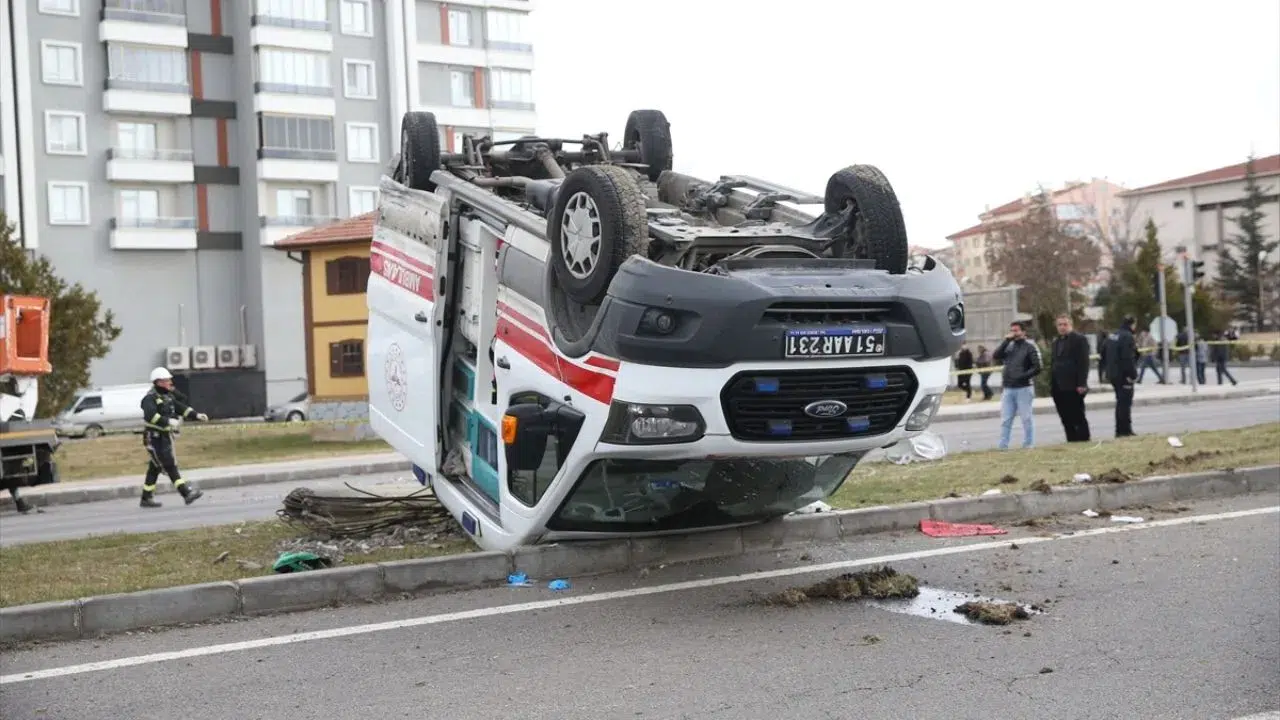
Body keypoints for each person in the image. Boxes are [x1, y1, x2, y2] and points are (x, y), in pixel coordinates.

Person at [139, 367, 209, 508]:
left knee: (155, 467)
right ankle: (186, 493)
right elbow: (150, 416)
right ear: (158, 382)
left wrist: (196, 415)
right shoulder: (149, 399)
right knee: (169, 465)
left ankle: (146, 497)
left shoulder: (167, 397)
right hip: (153, 438)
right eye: (167, 380)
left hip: (164, 437)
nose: (170, 382)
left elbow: (180, 407)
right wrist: (168, 421)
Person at [993, 321, 1042, 449]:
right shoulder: (1009, 346)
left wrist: (1023, 376)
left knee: (1026, 418)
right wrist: (1005, 341)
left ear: (1023, 332)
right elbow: (996, 356)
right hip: (1009, 387)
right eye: (1012, 330)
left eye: (1016, 330)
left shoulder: (1030, 347)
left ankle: (1028, 444)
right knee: (1006, 419)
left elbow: (1037, 367)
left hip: (1024, 388)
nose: (1013, 333)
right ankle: (1003, 445)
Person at [1050, 314, 1091, 442]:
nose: (1062, 327)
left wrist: (1082, 383)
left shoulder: (1080, 339)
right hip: (1058, 384)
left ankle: (1083, 437)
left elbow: (1084, 362)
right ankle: (1071, 438)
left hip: (1073, 384)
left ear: (1071, 325)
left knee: (1077, 413)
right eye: (1059, 325)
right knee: (1064, 415)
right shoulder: (1056, 342)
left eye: (1065, 324)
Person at [1103, 317, 1140, 437]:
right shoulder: (1127, 337)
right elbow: (1128, 358)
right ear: (1132, 325)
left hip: (1113, 374)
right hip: (1124, 375)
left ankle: (1120, 429)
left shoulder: (1112, 335)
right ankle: (1124, 430)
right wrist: (1132, 375)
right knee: (1125, 404)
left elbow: (1102, 352)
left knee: (1120, 402)